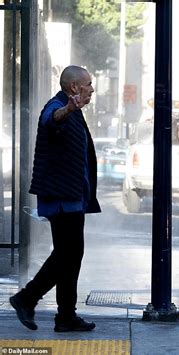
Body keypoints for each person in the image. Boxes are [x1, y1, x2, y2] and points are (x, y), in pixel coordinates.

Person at [9, 65, 101, 332]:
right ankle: (27, 298)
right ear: (74, 87)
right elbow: (52, 120)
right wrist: (68, 110)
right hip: (62, 197)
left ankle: (66, 316)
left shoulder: (74, 111)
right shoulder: (57, 107)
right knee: (67, 255)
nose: (92, 89)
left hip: (71, 196)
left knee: (70, 255)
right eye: (88, 83)